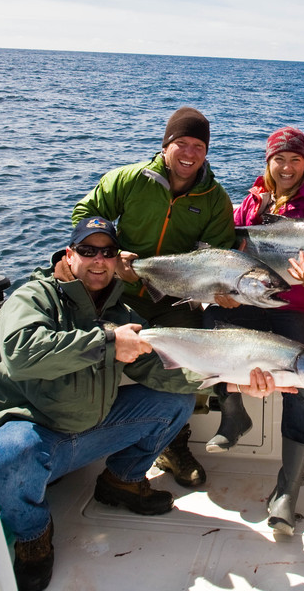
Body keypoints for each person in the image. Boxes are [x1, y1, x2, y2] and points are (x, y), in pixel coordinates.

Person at [0, 217, 283, 591]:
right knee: (12, 452)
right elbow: (22, 354)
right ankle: (32, 538)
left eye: (106, 252)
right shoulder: (34, 297)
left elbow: (165, 371)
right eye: (87, 251)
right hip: (34, 435)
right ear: (69, 255)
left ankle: (121, 482)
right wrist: (106, 343)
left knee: (174, 399)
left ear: (117, 259)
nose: (98, 260)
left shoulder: (121, 315)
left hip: (87, 434)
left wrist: (231, 384)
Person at [71, 107, 235, 488]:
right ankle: (77, 436)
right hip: (119, 292)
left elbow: (221, 251)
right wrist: (112, 252)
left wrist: (220, 289)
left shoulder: (213, 197)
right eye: (182, 143)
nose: (190, 153)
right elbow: (85, 213)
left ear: (206, 152)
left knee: (197, 361)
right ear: (166, 146)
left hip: (178, 301)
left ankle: (173, 444)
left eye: (198, 146)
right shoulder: (130, 180)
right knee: (91, 352)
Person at [204, 126, 304, 536]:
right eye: (278, 159)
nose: (286, 167)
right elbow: (230, 253)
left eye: (294, 160)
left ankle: (287, 489)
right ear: (268, 162)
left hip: (297, 308)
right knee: (211, 326)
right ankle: (232, 416)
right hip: (251, 301)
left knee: (302, 372)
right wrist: (223, 290)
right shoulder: (252, 202)